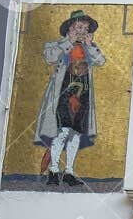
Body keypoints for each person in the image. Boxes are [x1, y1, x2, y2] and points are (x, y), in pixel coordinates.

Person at [35, 10, 104, 187]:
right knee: (62, 132)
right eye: (79, 27)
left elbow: (101, 61)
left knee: (75, 134)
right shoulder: (58, 45)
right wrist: (68, 41)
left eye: (86, 28)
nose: (82, 31)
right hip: (63, 93)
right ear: (70, 28)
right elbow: (50, 58)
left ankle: (69, 172)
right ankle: (54, 169)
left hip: (82, 94)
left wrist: (89, 45)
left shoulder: (88, 47)